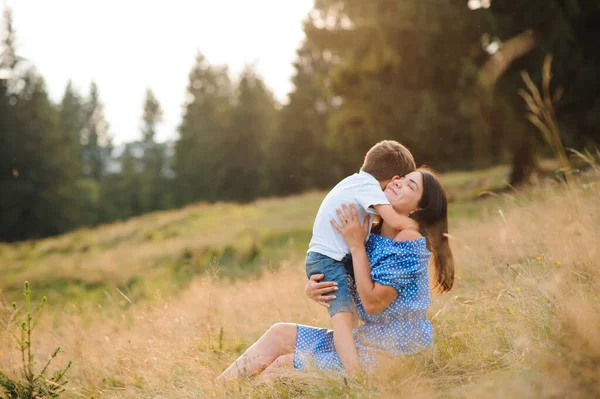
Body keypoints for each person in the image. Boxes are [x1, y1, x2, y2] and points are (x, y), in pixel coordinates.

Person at [217, 168, 454, 379]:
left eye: (410, 185)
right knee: (279, 333)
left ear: (418, 209)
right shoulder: (372, 233)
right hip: (366, 339)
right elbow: (347, 281)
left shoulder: (409, 241)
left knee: (280, 367)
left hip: (396, 352)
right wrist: (313, 288)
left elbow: (372, 303)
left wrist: (356, 246)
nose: (398, 182)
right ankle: (216, 391)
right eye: (401, 178)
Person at [304, 140, 417, 374]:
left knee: (351, 318)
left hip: (330, 256)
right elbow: (395, 221)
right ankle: (354, 375)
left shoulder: (354, 182)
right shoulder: (369, 188)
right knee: (343, 320)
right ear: (394, 179)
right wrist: (425, 226)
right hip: (329, 259)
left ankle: (347, 363)